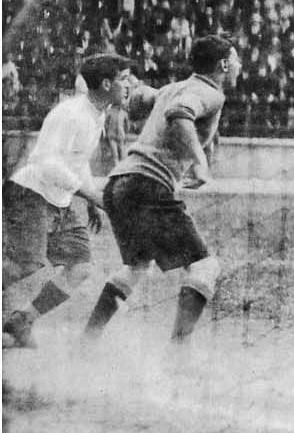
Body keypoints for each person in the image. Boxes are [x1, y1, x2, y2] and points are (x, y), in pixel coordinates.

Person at [83, 34, 238, 346]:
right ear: (223, 65)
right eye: (235, 60)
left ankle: (86, 343)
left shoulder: (173, 88)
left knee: (137, 267)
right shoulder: (211, 93)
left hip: (118, 184)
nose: (239, 66)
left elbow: (142, 101)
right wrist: (200, 162)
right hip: (147, 185)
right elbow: (179, 113)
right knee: (205, 267)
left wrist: (144, 94)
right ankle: (178, 353)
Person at [3, 54, 138, 348]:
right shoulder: (71, 114)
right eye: (125, 79)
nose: (130, 85)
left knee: (80, 267)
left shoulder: (97, 114)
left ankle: (21, 321)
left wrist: (90, 200)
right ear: (106, 84)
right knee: (25, 265)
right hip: (30, 193)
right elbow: (45, 163)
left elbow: (77, 161)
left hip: (58, 199)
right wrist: (90, 195)